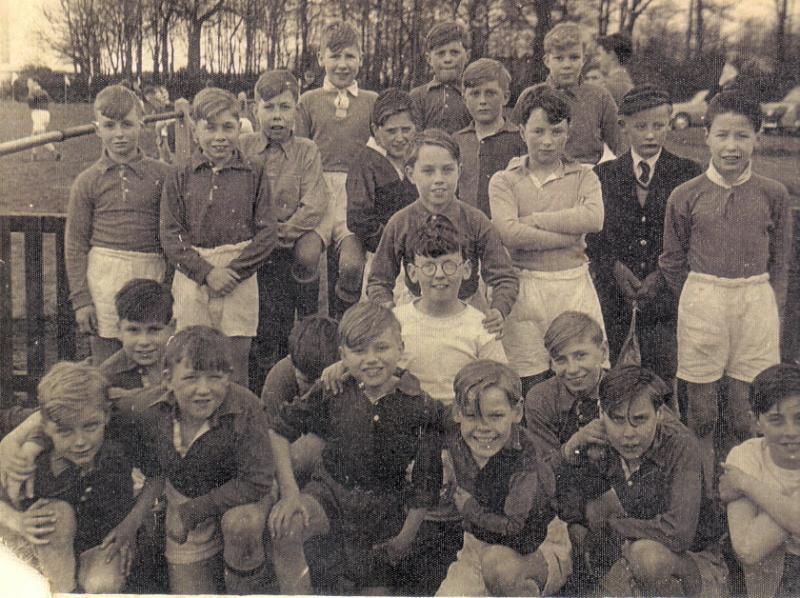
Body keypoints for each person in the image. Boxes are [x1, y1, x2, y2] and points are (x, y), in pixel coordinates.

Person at [659, 90, 793, 492]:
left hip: (755, 301)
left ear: (758, 137)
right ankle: (701, 496)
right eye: (723, 135)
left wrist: (773, 307)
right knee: (701, 415)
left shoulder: (774, 194)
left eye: (742, 136)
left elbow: (781, 262)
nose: (732, 146)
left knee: (742, 413)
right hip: (704, 299)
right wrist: (700, 297)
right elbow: (671, 258)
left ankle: (742, 490)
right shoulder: (686, 195)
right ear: (707, 136)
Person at [268, 303, 446, 594]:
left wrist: (405, 537)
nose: (371, 360)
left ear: (400, 348)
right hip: (331, 495)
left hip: (384, 513)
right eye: (359, 351)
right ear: (342, 355)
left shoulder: (420, 406)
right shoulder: (333, 389)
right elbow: (278, 431)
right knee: (287, 526)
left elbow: (427, 481)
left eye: (381, 348)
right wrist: (290, 495)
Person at [557, 365, 727, 596]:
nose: (628, 433)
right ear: (601, 412)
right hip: (629, 551)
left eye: (640, 419)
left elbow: (678, 533)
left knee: (647, 558)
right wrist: (571, 451)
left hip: (693, 561)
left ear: (659, 414)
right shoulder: (598, 439)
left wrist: (615, 526)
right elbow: (572, 511)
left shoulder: (681, 445)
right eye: (617, 419)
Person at [133, 326, 275, 594]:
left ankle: (249, 582)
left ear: (229, 377)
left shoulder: (246, 406)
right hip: (186, 500)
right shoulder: (148, 407)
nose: (203, 390)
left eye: (214, 377)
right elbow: (100, 402)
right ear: (168, 379)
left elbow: (257, 481)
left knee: (242, 526)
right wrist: (32, 440)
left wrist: (192, 512)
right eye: (190, 378)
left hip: (241, 500)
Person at [0, 362, 163, 593]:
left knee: (102, 584)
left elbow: (157, 476)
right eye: (66, 431)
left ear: (106, 416)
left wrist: (130, 525)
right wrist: (18, 522)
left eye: (90, 426)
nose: (80, 442)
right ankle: (63, 590)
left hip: (102, 540)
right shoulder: (32, 457)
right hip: (47, 547)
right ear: (45, 426)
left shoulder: (120, 436)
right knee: (54, 517)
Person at [489, 85, 606, 395]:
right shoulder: (504, 180)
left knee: (580, 377)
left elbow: (593, 219)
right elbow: (509, 233)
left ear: (568, 130)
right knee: (529, 378)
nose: (547, 141)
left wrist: (534, 221)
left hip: (573, 285)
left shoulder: (584, 176)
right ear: (521, 129)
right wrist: (568, 235)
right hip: (524, 288)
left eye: (557, 131)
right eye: (538, 131)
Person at [160, 87, 277, 385]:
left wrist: (234, 272)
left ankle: (235, 426)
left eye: (228, 127)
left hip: (239, 274)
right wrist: (206, 273)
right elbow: (170, 233)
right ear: (195, 130)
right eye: (210, 128)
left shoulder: (254, 171)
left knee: (235, 361)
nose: (219, 137)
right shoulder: (180, 174)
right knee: (191, 355)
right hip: (193, 272)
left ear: (240, 127)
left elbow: (267, 233)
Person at [589, 85, 702, 386]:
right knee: (613, 376)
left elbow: (691, 238)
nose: (650, 135)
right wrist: (613, 267)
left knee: (663, 377)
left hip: (665, 302)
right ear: (623, 126)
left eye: (658, 125)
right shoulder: (602, 175)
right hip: (613, 298)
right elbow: (593, 238)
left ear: (669, 122)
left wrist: (661, 276)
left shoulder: (688, 173)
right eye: (641, 127)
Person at [436, 360, 571, 596]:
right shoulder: (457, 439)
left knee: (499, 567)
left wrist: (470, 509)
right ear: (458, 412)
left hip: (531, 548)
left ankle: (524, 590)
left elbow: (515, 528)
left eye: (496, 416)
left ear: (517, 411)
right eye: (472, 416)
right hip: (477, 547)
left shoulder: (526, 463)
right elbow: (428, 421)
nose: (483, 428)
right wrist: (444, 461)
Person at [367, 129, 518, 339]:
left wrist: (498, 309)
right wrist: (389, 310)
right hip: (416, 311)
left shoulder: (476, 221)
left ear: (459, 170)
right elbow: (378, 281)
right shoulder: (400, 223)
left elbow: (504, 277)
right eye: (428, 171)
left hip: (468, 308)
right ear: (411, 174)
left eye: (447, 170)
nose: (439, 179)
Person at [65, 84, 171, 365]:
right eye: (109, 126)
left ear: (142, 123)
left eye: (127, 124)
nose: (119, 134)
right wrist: (82, 300)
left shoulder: (163, 175)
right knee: (108, 363)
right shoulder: (88, 180)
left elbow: (174, 234)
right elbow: (75, 243)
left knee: (153, 357)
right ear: (97, 128)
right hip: (104, 276)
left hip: (151, 272)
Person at [240, 70, 329, 391]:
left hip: (292, 237)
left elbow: (314, 202)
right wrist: (262, 236)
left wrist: (284, 232)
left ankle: (307, 341)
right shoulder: (244, 147)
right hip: (257, 243)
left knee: (305, 264)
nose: (277, 116)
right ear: (254, 110)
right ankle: (264, 375)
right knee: (265, 319)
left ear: (296, 111)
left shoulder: (306, 150)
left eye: (285, 107)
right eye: (269, 107)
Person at [295, 20, 378, 318]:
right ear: (321, 58)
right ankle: (308, 325)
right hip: (317, 189)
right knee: (305, 256)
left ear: (361, 59)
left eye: (350, 57)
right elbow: (299, 152)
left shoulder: (371, 102)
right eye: (335, 56)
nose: (342, 65)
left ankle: (343, 324)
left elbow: (378, 153)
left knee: (352, 265)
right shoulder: (308, 101)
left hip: (354, 192)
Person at [722, 364, 800, 597]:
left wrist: (749, 485)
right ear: (756, 422)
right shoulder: (745, 456)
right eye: (776, 420)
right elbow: (747, 548)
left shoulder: (742, 478)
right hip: (765, 571)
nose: (791, 431)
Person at [346, 88, 419, 304]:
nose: (400, 137)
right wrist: (392, 247)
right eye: (391, 131)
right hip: (383, 254)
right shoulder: (366, 163)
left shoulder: (419, 157)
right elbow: (359, 218)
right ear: (375, 131)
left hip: (420, 254)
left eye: (406, 129)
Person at [527, 22, 623, 165]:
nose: (567, 65)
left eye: (574, 57)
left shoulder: (600, 97)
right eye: (559, 58)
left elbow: (621, 145)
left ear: (583, 59)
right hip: (540, 174)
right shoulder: (530, 97)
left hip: (586, 175)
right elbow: (514, 147)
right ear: (547, 61)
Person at [524, 311, 607, 471]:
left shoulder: (627, 388)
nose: (572, 369)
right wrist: (572, 446)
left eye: (580, 355)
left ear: (603, 352)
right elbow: (543, 471)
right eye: (561, 359)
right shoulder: (541, 398)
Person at [260, 315, 339, 479]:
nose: (317, 388)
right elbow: (270, 441)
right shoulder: (281, 378)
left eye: (322, 381)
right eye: (308, 381)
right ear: (292, 362)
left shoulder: (347, 375)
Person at [453, 58, 527, 218]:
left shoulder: (520, 139)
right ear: (464, 99)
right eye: (475, 94)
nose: (482, 101)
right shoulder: (456, 142)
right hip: (466, 230)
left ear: (505, 97)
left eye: (490, 93)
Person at [99, 278, 174, 413]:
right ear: (119, 330)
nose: (144, 341)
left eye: (154, 330)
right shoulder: (108, 375)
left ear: (172, 327)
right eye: (133, 330)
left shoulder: (185, 364)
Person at [410, 21, 472, 134]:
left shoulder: (473, 94)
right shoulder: (417, 96)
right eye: (440, 53)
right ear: (429, 59)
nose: (447, 59)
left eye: (454, 52)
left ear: (467, 56)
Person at [595, 33, 634, 106]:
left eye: (599, 54)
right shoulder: (629, 84)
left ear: (612, 55)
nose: (598, 60)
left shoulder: (606, 87)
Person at [26, 79, 60, 161]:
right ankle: (34, 155)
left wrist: (30, 90)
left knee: (41, 137)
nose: (28, 84)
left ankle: (55, 152)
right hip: (46, 115)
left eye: (29, 82)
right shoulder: (44, 92)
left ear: (35, 83)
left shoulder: (33, 92)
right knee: (34, 136)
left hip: (38, 115)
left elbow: (30, 104)